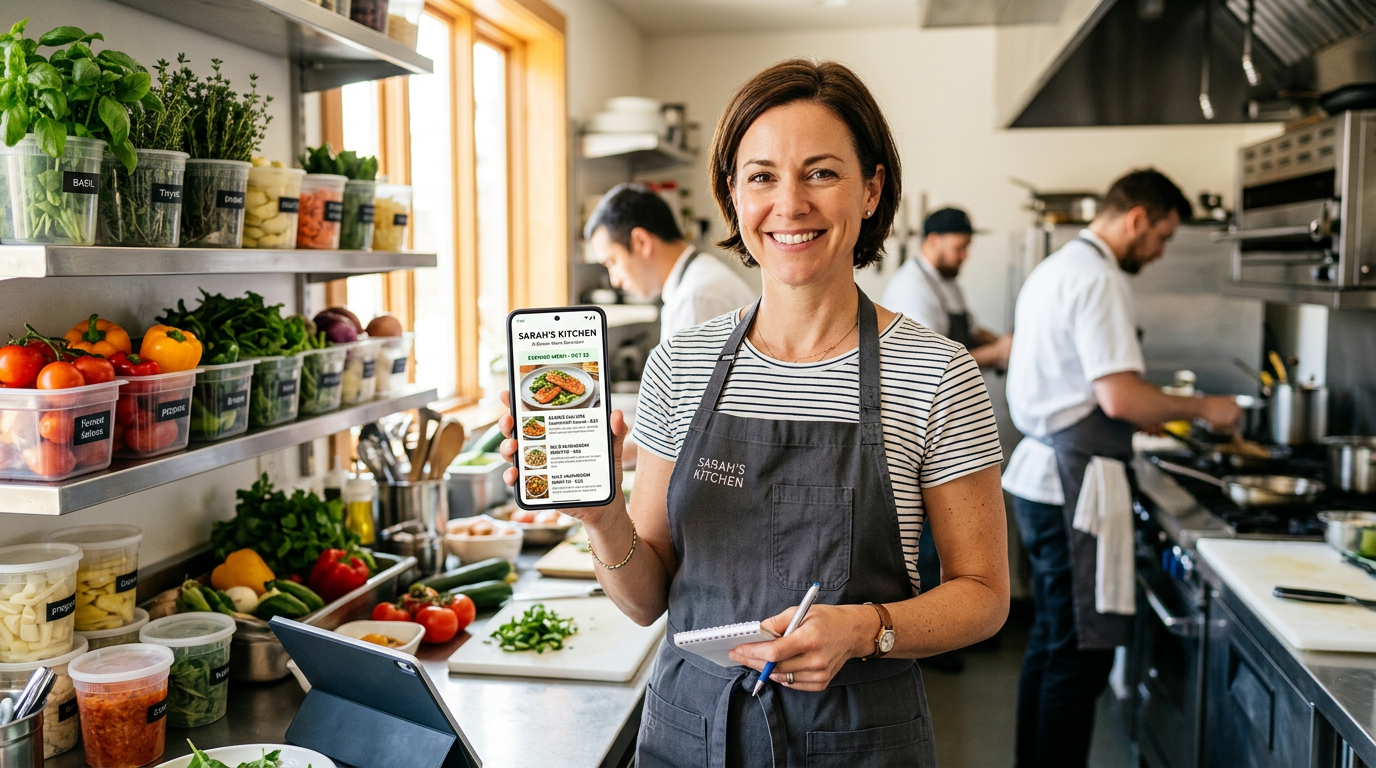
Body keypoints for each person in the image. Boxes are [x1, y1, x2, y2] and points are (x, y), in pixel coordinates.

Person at [500, 59, 1010, 766]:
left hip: (858, 739)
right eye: (762, 176)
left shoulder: (936, 372)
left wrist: (866, 628)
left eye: (822, 173)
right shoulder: (679, 366)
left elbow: (984, 595)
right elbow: (645, 600)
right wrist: (600, 515)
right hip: (690, 732)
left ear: (871, 189)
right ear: (732, 195)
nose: (790, 203)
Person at [1002, 169, 1242, 768]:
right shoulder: (1099, 278)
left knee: (1053, 648)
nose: (1160, 252)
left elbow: (1097, 392)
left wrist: (1144, 409)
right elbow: (1118, 398)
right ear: (1137, 219)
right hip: (1070, 485)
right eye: (1162, 236)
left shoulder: (1056, 268)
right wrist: (1203, 408)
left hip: (1041, 475)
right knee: (1078, 657)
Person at [585, 183, 756, 342]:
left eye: (612, 263)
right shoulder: (694, 282)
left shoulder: (696, 299)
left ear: (641, 242)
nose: (615, 280)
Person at [881, 207, 1012, 368]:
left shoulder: (948, 280)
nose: (965, 256)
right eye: (959, 248)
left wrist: (1004, 343)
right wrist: (996, 353)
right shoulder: (911, 287)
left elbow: (973, 331)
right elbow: (930, 361)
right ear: (934, 240)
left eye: (967, 247)